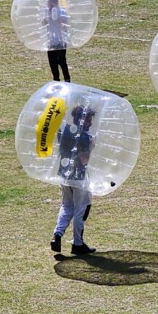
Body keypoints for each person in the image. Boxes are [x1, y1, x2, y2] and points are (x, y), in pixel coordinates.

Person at [49, 105, 97, 255]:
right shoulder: (85, 137)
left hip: (64, 175)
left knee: (67, 206)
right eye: (89, 118)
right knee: (81, 209)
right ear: (83, 119)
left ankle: (57, 234)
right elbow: (84, 160)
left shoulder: (64, 131)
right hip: (79, 178)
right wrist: (91, 145)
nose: (90, 122)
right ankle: (77, 243)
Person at [44, 0, 71, 82]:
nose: (48, 3)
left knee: (62, 61)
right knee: (53, 63)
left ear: (53, 2)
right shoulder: (47, 12)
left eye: (49, 2)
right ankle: (56, 79)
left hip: (60, 41)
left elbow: (65, 25)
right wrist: (48, 17)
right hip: (51, 41)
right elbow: (43, 23)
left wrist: (58, 18)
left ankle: (67, 79)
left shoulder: (62, 11)